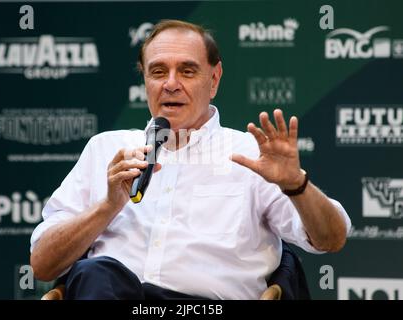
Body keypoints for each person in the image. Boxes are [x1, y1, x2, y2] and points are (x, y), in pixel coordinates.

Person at [30, 19, 351, 300]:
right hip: (109, 292)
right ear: (145, 81)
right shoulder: (106, 149)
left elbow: (331, 239)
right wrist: (107, 207)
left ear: (214, 80)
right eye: (158, 71)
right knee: (95, 274)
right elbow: (44, 265)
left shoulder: (251, 154)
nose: (171, 83)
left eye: (187, 70)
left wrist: (297, 185)